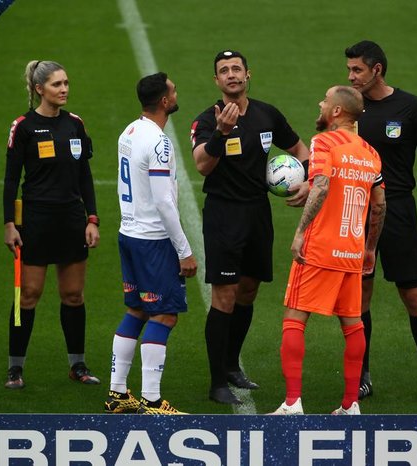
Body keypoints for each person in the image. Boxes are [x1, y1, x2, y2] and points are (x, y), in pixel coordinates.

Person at [191, 50, 310, 405]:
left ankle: (231, 365)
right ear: (217, 81)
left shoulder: (266, 114)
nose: (231, 74)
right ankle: (217, 383)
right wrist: (221, 133)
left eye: (236, 69)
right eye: (224, 71)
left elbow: (300, 148)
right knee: (224, 295)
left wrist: (308, 179)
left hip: (258, 213)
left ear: (248, 74)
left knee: (248, 292)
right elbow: (201, 166)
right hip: (224, 215)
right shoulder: (207, 120)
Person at [270, 85, 386, 415]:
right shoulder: (371, 153)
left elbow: (319, 186)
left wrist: (300, 232)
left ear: (336, 112)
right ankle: (350, 406)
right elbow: (380, 205)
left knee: (294, 319)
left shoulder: (324, 142)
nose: (320, 103)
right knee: (353, 325)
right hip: (352, 250)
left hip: (320, 247)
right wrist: (371, 248)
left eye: (325, 100)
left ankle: (292, 403)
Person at [344, 40, 417, 401]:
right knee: (361, 296)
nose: (351, 76)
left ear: (377, 70)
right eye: (349, 70)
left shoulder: (410, 107)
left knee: (414, 295)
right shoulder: (347, 108)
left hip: (399, 210)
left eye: (357, 69)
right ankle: (361, 375)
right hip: (356, 212)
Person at [3, 60, 100, 389]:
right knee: (28, 294)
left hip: (71, 219)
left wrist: (92, 218)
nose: (64, 89)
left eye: (66, 83)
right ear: (38, 89)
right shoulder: (24, 127)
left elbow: (84, 176)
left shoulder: (75, 124)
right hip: (36, 220)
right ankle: (15, 368)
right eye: (57, 84)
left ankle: (78, 365)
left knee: (73, 295)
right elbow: (10, 181)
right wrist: (9, 224)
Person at [104, 72, 197, 415]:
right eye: (173, 90)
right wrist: (184, 251)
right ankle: (152, 400)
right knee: (164, 315)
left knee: (138, 309)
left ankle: (117, 393)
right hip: (153, 241)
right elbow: (164, 202)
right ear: (164, 101)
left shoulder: (128, 131)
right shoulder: (159, 143)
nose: (176, 92)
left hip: (129, 233)